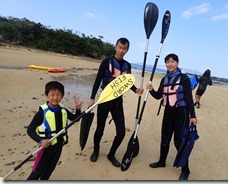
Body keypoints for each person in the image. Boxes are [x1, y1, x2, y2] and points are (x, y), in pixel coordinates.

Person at [87, 37, 143, 168]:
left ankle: (111, 154)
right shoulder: (106, 62)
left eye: (124, 48)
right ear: (115, 47)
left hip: (117, 102)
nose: (121, 51)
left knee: (121, 132)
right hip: (104, 100)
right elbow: (98, 80)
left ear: (127, 50)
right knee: (100, 129)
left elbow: (127, 83)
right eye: (120, 47)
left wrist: (136, 90)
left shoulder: (127, 65)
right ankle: (96, 151)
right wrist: (92, 98)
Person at [147, 53, 197, 180]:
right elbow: (159, 96)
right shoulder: (164, 79)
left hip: (182, 113)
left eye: (172, 61)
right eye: (168, 62)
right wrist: (151, 89)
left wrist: (193, 116)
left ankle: (186, 170)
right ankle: (161, 161)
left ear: (177, 63)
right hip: (168, 112)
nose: (170, 64)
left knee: (178, 142)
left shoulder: (184, 78)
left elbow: (189, 99)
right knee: (165, 138)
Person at [27, 81, 82, 180]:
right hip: (45, 149)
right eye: (52, 95)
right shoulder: (41, 113)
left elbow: (76, 119)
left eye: (58, 95)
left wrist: (78, 109)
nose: (55, 98)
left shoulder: (63, 110)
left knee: (48, 172)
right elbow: (30, 130)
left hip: (58, 147)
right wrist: (40, 140)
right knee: (36, 173)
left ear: (62, 96)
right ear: (46, 95)